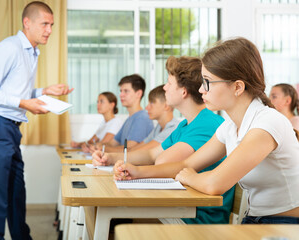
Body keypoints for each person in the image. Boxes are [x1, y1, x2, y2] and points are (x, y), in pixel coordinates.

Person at [116, 37, 299, 224]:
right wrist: (137, 172)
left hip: (285, 226)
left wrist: (191, 177)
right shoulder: (230, 127)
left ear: (237, 87)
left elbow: (214, 184)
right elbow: (185, 165)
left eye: (208, 82)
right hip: (257, 221)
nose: (202, 89)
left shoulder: (267, 123)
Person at [0, 2, 73, 239]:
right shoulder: (9, 48)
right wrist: (24, 103)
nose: (49, 30)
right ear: (27, 23)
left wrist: (43, 91)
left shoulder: (31, 51)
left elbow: (16, 91)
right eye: (44, 24)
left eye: (52, 25)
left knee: (17, 191)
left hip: (10, 128)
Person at [95, 56, 234, 224]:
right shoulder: (185, 124)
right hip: (181, 204)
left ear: (183, 91)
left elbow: (162, 160)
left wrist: (136, 171)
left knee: (116, 215)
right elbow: (151, 154)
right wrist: (111, 158)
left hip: (198, 215)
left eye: (169, 83)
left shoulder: (207, 123)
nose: (164, 88)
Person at [89, 74, 154, 152]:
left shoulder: (142, 118)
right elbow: (113, 143)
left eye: (126, 91)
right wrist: (98, 146)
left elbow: (129, 149)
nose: (121, 95)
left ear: (138, 94)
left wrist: (103, 149)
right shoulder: (129, 119)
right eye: (121, 91)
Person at [130, 85, 179, 151]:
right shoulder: (159, 127)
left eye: (152, 103)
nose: (146, 108)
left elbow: (142, 151)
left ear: (166, 106)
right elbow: (136, 148)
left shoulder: (173, 128)